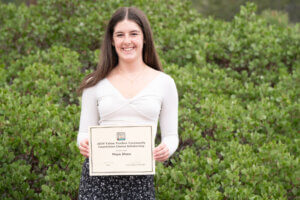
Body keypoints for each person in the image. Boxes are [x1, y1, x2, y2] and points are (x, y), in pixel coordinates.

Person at [76, 6, 179, 200]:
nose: (127, 41)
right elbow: (83, 132)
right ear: (112, 41)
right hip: (97, 180)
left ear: (144, 38)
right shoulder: (94, 83)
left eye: (134, 33)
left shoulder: (165, 83)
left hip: (140, 179)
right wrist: (83, 143)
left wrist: (166, 148)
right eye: (120, 35)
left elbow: (172, 136)